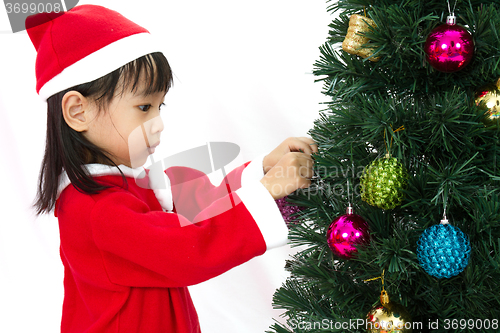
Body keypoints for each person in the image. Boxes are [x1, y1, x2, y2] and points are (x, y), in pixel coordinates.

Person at [27, 4, 317, 333]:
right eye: (143, 107)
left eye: (159, 106)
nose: (158, 123)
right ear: (79, 111)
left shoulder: (125, 184)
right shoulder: (94, 208)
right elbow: (184, 249)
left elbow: (194, 203)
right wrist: (266, 192)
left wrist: (263, 171)